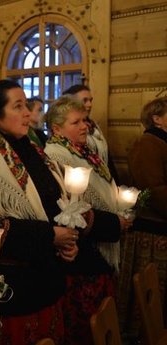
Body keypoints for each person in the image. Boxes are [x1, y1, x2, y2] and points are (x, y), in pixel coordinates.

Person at [0, 80, 79, 344]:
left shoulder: (34, 150)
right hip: (18, 285)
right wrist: (51, 235)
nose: (28, 112)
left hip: (49, 273)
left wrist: (69, 241)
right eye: (18, 106)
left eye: (26, 105)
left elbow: (54, 203)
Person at [44, 95, 129, 345]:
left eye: (85, 120)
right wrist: (114, 223)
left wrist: (119, 210)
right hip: (82, 254)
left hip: (98, 249)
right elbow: (70, 210)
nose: (84, 126)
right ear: (56, 128)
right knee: (85, 327)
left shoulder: (83, 151)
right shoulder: (56, 155)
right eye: (75, 122)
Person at [117, 96, 167, 341]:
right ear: (157, 119)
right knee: (151, 296)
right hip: (153, 231)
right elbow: (153, 190)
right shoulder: (148, 144)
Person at [63, 84, 120, 184]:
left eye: (90, 100)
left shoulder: (94, 126)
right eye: (85, 100)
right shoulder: (69, 129)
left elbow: (106, 157)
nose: (89, 105)